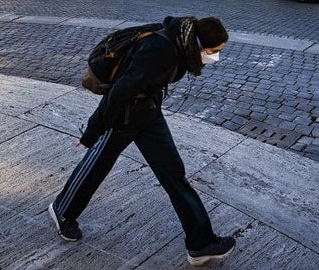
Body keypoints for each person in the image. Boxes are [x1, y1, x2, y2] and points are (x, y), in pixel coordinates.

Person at [49, 16, 235, 266]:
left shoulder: (182, 41)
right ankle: (63, 210)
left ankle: (200, 243)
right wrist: (92, 131)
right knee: (97, 165)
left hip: (148, 113)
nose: (214, 57)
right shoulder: (162, 50)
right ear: (199, 43)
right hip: (124, 115)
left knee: (174, 175)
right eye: (213, 52)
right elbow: (120, 91)